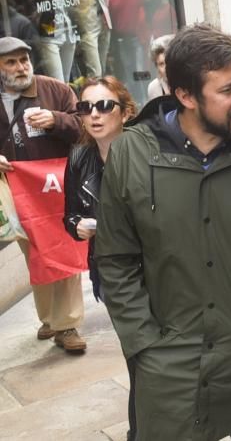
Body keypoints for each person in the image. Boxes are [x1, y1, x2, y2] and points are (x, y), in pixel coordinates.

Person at [96, 24, 231, 441]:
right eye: (228, 89)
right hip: (168, 370)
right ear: (185, 96)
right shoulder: (131, 154)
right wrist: (144, 342)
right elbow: (115, 259)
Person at [62, 76, 137, 438]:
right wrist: (78, 226)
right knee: (136, 355)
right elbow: (69, 215)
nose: (93, 114)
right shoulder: (79, 157)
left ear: (124, 111)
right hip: (109, 270)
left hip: (158, 266)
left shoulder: (145, 150)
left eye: (104, 105)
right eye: (84, 107)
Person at [0, 37, 85, 353]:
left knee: (61, 249)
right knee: (34, 254)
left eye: (24, 60)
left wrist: (55, 120)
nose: (21, 67)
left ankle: (68, 324)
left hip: (54, 187)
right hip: (13, 190)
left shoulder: (55, 90)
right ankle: (50, 318)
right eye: (11, 62)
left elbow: (83, 126)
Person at [146, 34, 173, 100]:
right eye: (161, 64)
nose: (166, 68)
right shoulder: (153, 88)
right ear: (157, 67)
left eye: (168, 62)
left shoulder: (187, 83)